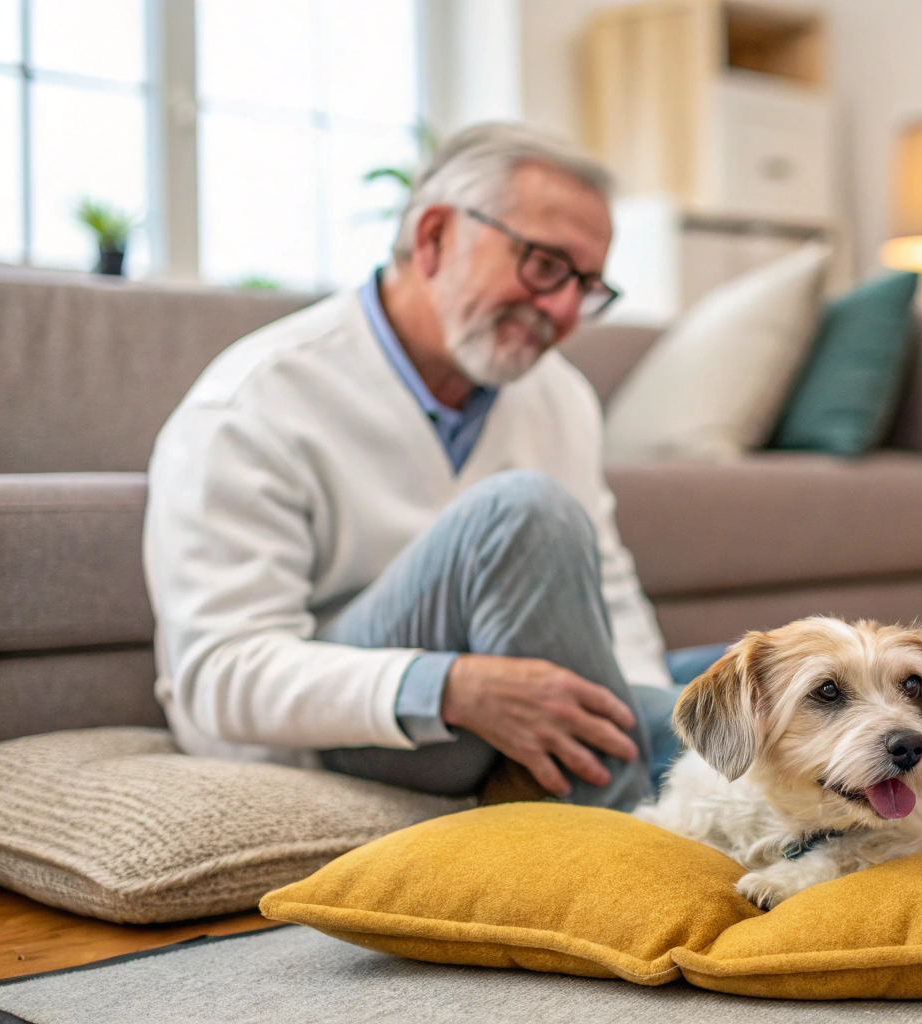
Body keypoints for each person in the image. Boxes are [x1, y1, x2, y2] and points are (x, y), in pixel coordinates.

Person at [145, 123, 697, 810]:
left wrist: (642, 703)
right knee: (522, 511)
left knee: (759, 682)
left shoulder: (559, 395)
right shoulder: (251, 402)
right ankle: (640, 843)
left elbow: (610, 589)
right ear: (434, 237)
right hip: (345, 730)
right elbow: (217, 674)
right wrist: (450, 688)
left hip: (510, 719)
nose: (562, 310)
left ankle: (736, 798)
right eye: (545, 266)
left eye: (585, 286)